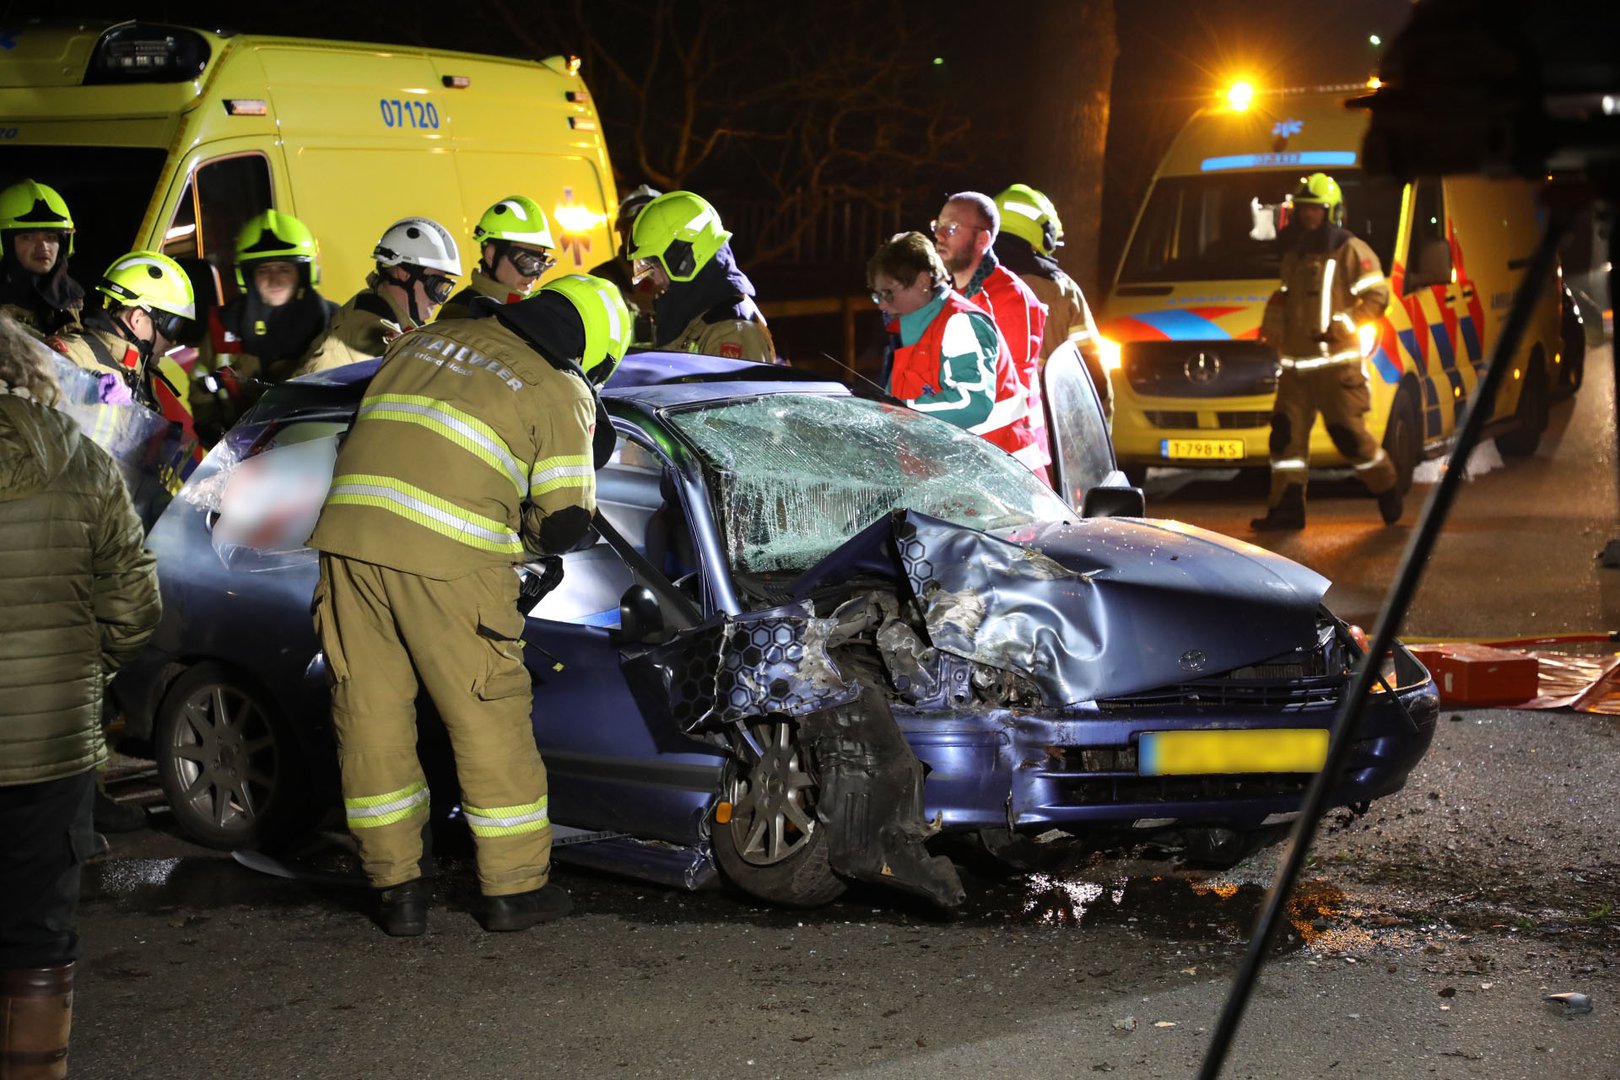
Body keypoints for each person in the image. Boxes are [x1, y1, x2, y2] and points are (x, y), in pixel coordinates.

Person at [306, 273, 632, 937]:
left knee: (368, 713)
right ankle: (514, 890)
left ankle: (395, 889)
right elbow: (567, 521)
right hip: (450, 560)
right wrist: (528, 542)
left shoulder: (428, 341)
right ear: (594, 349)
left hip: (348, 542)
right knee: (488, 714)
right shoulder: (556, 385)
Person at [0, 311, 162, 1079]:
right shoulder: (85, 465)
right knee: (38, 933)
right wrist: (80, 675)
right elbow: (133, 608)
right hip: (51, 745)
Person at [1251, 172, 1399, 531]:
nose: (1308, 216)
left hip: (1336, 369)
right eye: (1304, 209)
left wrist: (1345, 324)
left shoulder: (1350, 250)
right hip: (1296, 372)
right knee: (1285, 440)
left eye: (1316, 210)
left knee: (1351, 439)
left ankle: (1387, 488)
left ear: (1331, 211)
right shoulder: (1295, 253)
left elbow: (1378, 296)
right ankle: (1287, 509)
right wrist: (1272, 324)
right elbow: (1285, 296)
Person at [191, 209, 338, 443]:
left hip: (318, 451)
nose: (274, 279)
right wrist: (212, 427)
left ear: (302, 273)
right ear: (248, 276)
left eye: (284, 269)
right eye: (263, 270)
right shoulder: (223, 327)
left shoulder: (334, 323)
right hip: (246, 460)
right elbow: (201, 386)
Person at [932, 191, 1049, 481]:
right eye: (938, 226)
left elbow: (1008, 393)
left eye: (952, 228)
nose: (940, 237)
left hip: (1010, 466)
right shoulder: (950, 296)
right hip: (971, 457)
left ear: (983, 240)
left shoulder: (1010, 297)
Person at [867, 230, 1019, 443]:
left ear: (922, 281)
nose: (883, 305)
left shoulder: (959, 322)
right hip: (963, 466)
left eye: (888, 293)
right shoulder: (912, 328)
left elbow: (974, 404)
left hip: (1000, 467)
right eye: (877, 295)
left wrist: (899, 411)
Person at [992, 183, 1114, 422]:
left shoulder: (963, 284)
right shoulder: (1062, 291)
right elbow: (1093, 376)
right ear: (1043, 235)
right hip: (1045, 431)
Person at [46, 250, 197, 430]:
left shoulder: (139, 375)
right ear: (137, 318)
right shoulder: (72, 353)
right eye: (172, 327)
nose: (172, 341)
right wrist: (82, 387)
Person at [294, 216, 460, 376]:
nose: (438, 298)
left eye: (444, 288)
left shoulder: (390, 314)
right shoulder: (366, 323)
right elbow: (409, 375)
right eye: (435, 285)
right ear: (403, 274)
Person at [626, 190, 777, 363]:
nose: (656, 280)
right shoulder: (691, 314)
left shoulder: (731, 330)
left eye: (656, 266)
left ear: (685, 260)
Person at [436, 196, 557, 321]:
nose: (533, 276)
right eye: (525, 261)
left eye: (540, 263)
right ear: (491, 255)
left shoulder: (521, 311)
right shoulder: (461, 314)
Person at [0, 179, 84, 339]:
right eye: (27, 237)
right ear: (6, 244)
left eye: (51, 236)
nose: (43, 246)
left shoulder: (74, 299)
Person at [588, 183, 661, 346]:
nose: (645, 237)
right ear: (622, 231)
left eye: (652, 229)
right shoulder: (602, 280)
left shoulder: (679, 277)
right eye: (636, 228)